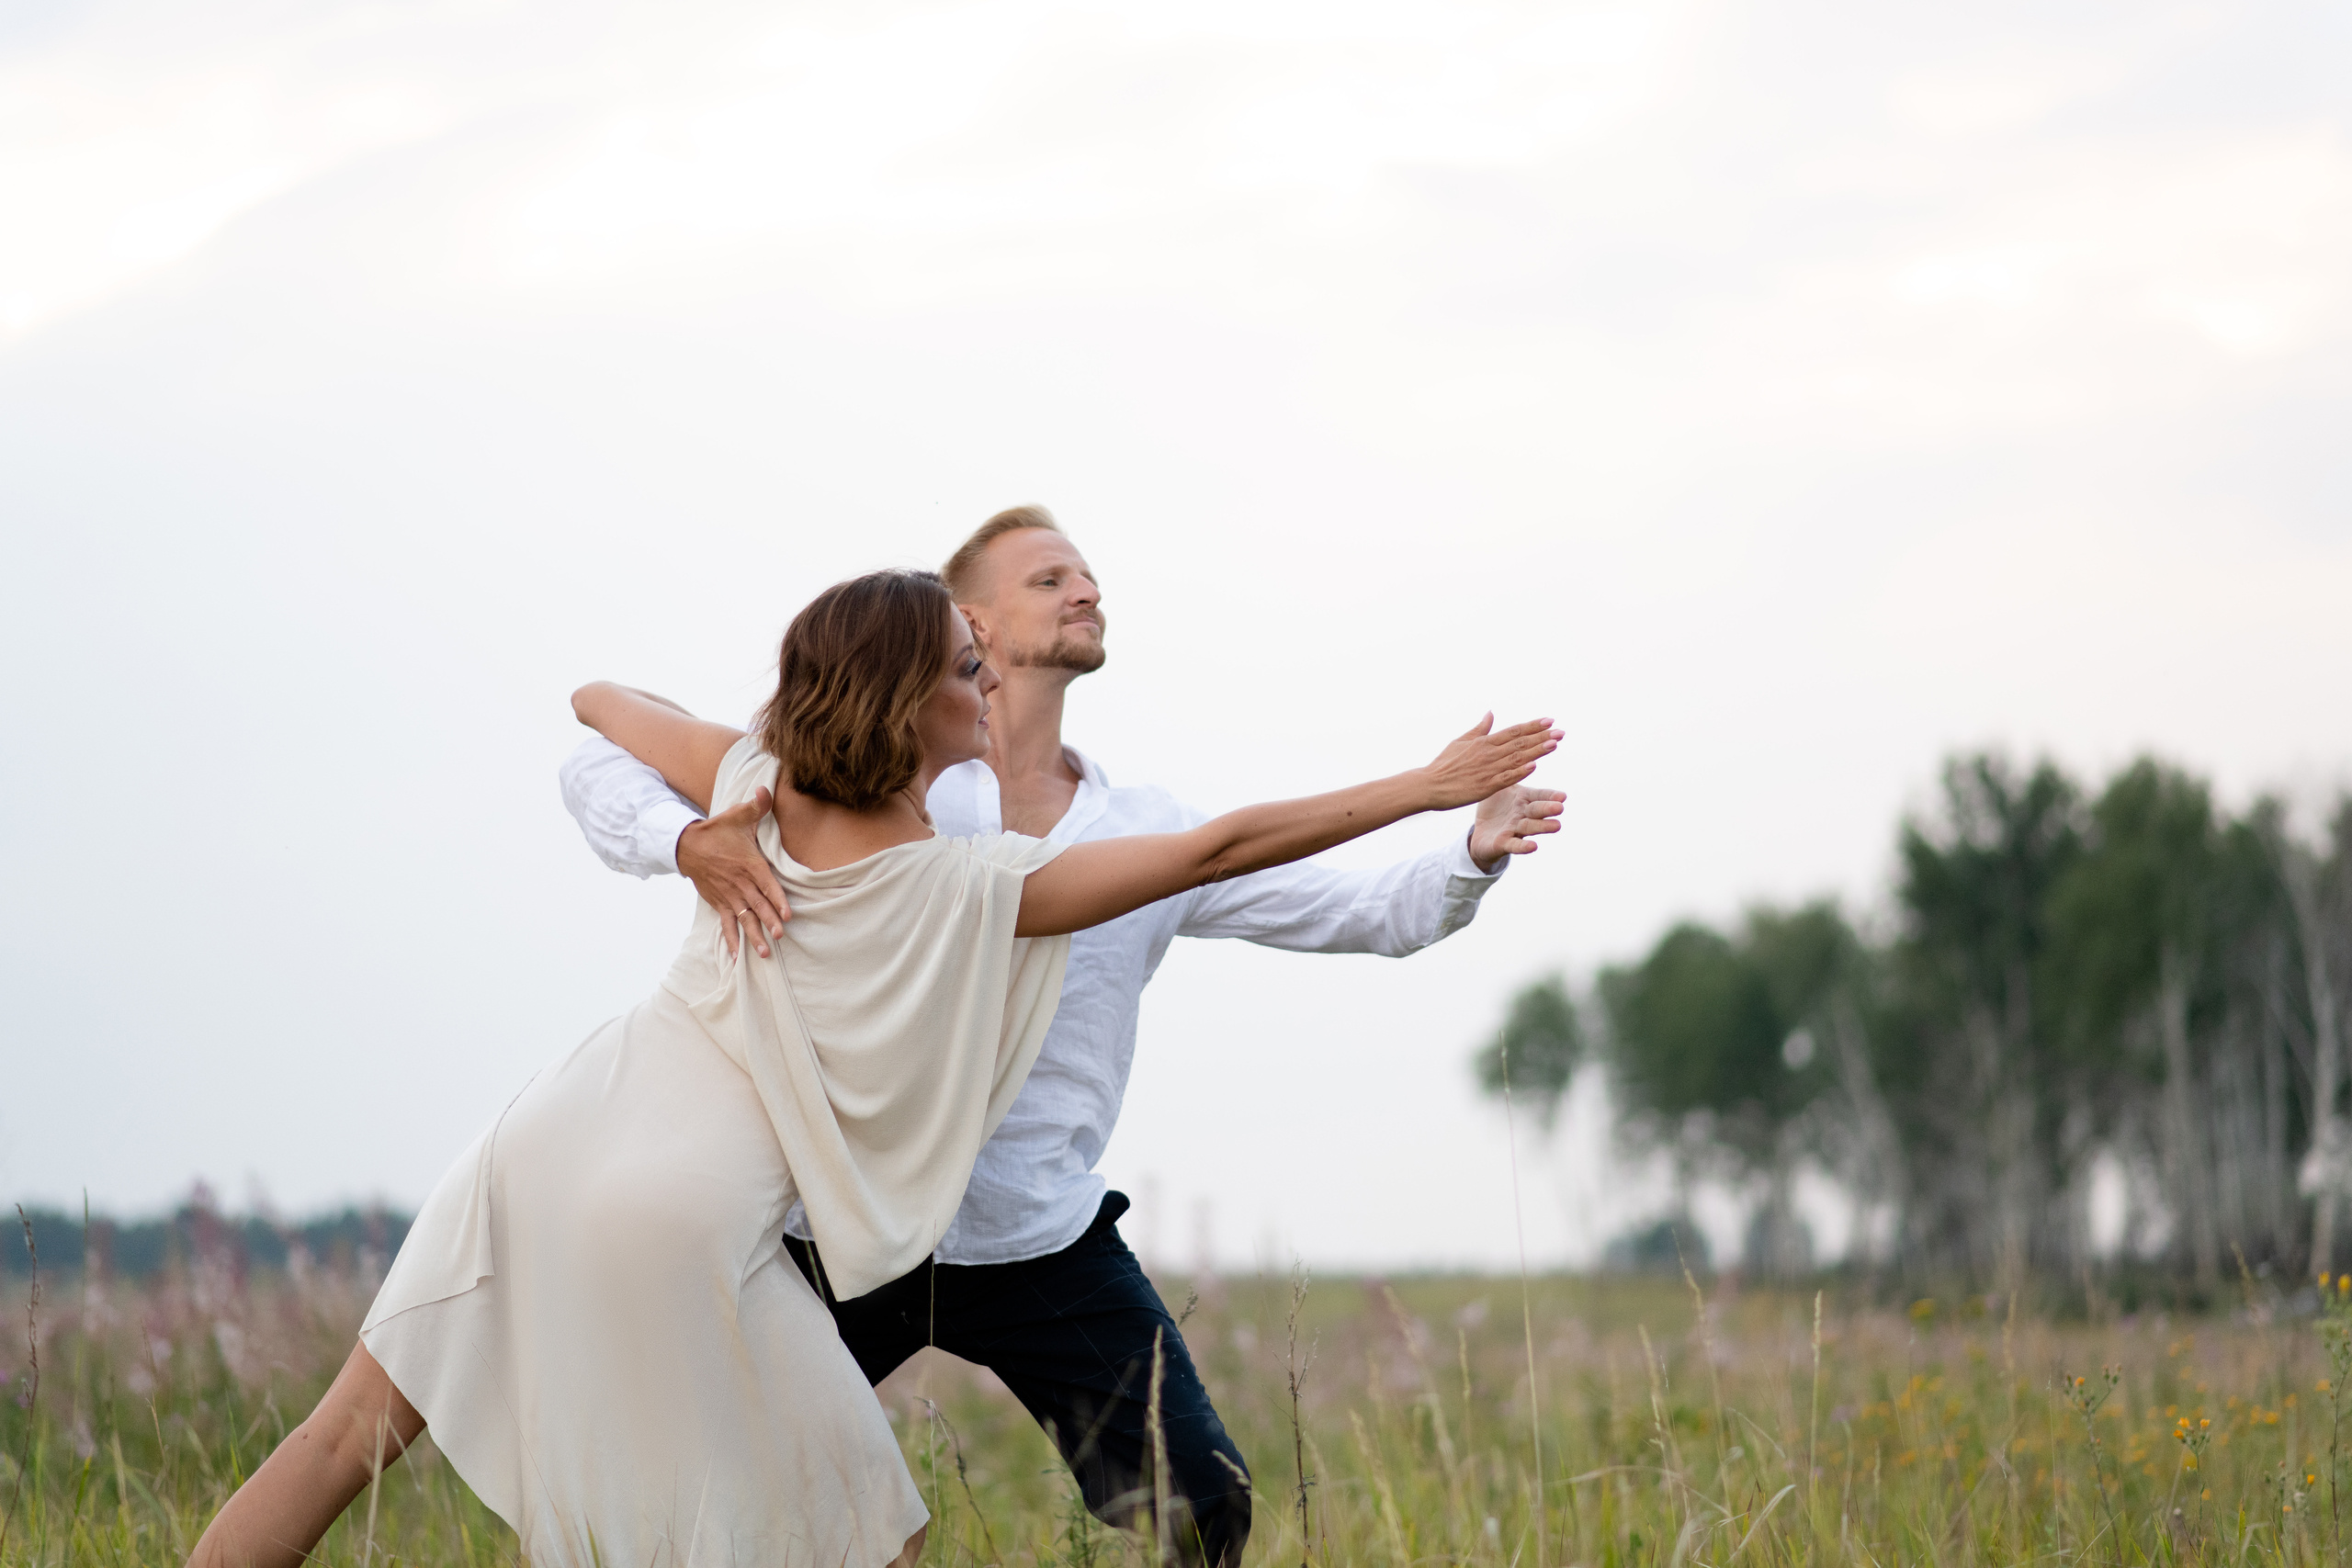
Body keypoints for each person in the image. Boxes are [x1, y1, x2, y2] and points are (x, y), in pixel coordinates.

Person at [187, 566, 1560, 1568]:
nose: (989, 683)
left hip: (549, 1133)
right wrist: (1418, 786)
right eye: (968, 667)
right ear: (915, 704)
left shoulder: (751, 785)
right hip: (695, 1209)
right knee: (869, 1542)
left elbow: (601, 697)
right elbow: (1216, 851)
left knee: (340, 1437)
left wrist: (697, 832)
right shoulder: (970, 885)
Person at [561, 507, 1566, 1565]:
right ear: (969, 625)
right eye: (1048, 579)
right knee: (721, 1507)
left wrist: (1468, 850)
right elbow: (596, 763)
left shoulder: (1141, 827)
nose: (1085, 591)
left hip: (1034, 1236)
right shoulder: (865, 784)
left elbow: (1363, 913)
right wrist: (682, 843)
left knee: (1204, 1508)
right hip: (838, 1221)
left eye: (1088, 576)